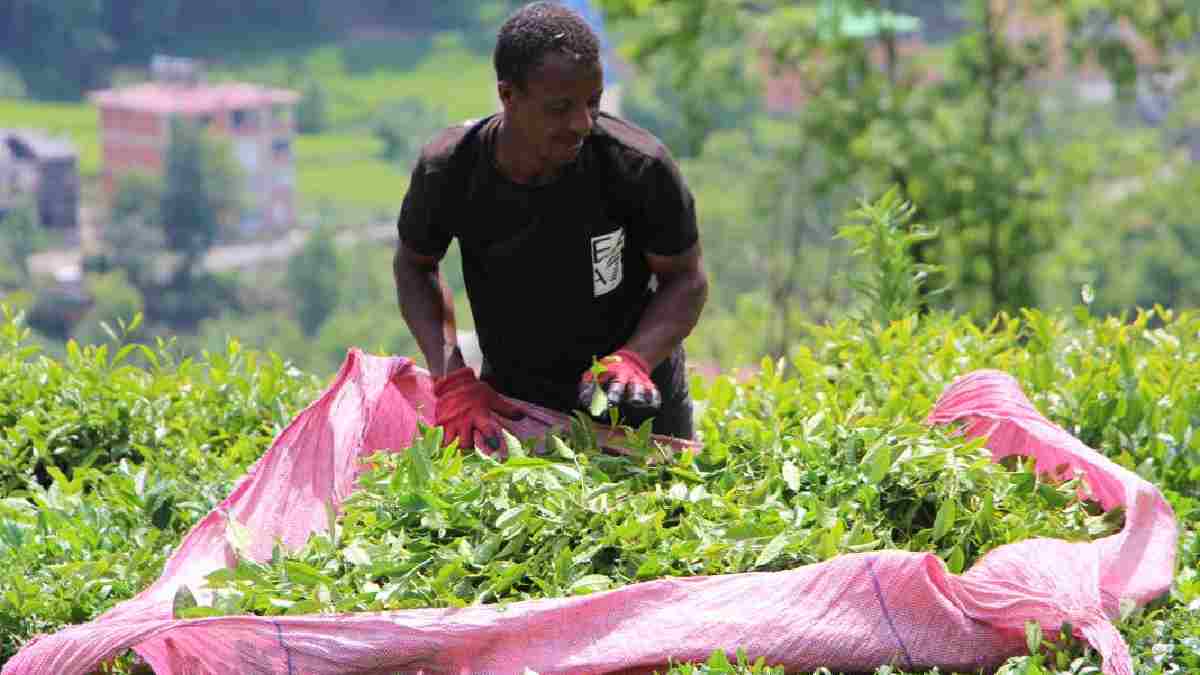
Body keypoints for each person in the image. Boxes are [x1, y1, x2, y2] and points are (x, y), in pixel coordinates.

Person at [393, 1, 708, 453]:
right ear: (508, 95)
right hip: (517, 404)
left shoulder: (638, 166)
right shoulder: (451, 169)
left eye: (592, 102)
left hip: (635, 408)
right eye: (560, 108)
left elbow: (686, 278)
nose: (581, 123)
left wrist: (635, 358)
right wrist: (452, 379)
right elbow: (414, 266)